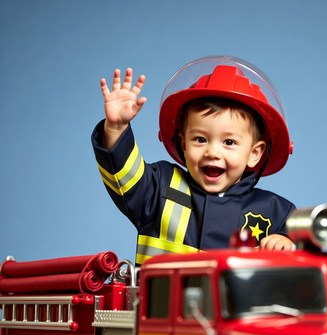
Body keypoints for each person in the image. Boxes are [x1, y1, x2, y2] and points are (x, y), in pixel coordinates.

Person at [91, 56, 296, 266]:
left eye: (229, 142)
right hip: (158, 300)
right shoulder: (158, 188)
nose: (212, 152)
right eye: (200, 139)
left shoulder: (276, 211)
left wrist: (286, 242)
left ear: (255, 153)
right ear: (183, 143)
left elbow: (312, 248)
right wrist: (116, 128)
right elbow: (123, 173)